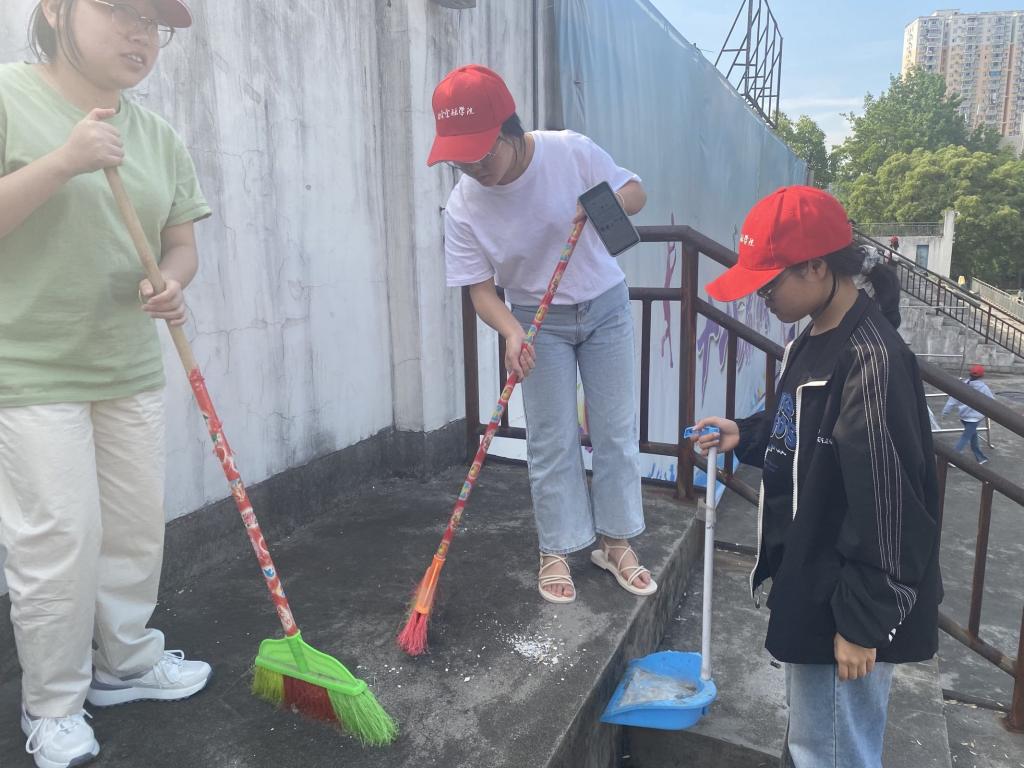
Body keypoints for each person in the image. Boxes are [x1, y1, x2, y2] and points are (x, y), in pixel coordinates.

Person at [0, 2, 212, 765]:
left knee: (131, 530)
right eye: (120, 9)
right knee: (60, 541)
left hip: (128, 364)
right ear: (56, 10)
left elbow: (179, 243)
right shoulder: (8, 98)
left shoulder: (157, 136)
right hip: (30, 367)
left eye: (153, 22)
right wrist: (62, 161)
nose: (140, 33)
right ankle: (53, 703)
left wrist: (173, 284)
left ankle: (125, 662)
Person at [689, 186, 942, 767]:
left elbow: (892, 503)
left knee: (830, 751)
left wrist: (862, 622)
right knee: (815, 741)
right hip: (813, 576)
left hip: (844, 601)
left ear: (817, 267)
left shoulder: (872, 361)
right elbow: (798, 425)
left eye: (769, 284)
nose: (763, 297)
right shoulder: (815, 335)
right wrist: (745, 434)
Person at [428, 65, 656, 604]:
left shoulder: (568, 151)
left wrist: (602, 203)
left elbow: (636, 192)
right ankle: (556, 546)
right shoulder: (464, 205)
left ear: (510, 130)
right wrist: (512, 331)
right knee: (551, 438)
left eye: (482, 154)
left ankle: (615, 542)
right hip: (536, 318)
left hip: (604, 306)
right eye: (462, 160)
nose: (475, 169)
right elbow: (480, 290)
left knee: (614, 430)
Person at [943, 364, 994, 465]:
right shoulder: (983, 388)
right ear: (982, 376)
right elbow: (992, 402)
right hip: (974, 418)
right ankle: (953, 458)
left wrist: (946, 411)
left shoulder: (964, 384)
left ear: (970, 374)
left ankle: (980, 458)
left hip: (964, 417)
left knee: (973, 436)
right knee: (965, 438)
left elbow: (953, 398)